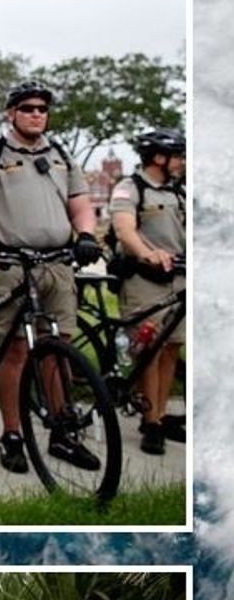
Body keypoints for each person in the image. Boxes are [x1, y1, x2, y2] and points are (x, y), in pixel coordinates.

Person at [0, 81, 103, 474]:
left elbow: (79, 203)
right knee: (16, 352)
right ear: (11, 113)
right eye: (27, 107)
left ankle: (62, 431)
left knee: (59, 347)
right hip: (11, 266)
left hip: (58, 264)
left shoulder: (61, 154)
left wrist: (88, 234)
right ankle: (12, 434)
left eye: (43, 108)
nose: (36, 113)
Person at [108, 128, 186, 454]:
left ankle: (160, 412)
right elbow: (124, 229)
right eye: (178, 155)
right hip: (145, 281)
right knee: (148, 351)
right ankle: (149, 420)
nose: (183, 162)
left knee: (170, 349)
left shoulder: (179, 191)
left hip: (178, 280)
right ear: (158, 157)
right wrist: (147, 253)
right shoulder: (131, 188)